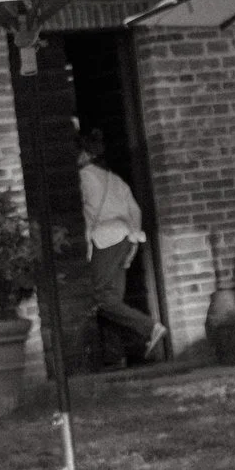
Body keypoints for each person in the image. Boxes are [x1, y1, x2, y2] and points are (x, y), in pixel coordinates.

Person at [77, 128, 163, 363]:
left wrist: (87, 248)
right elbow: (135, 210)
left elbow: (90, 215)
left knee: (100, 297)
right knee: (112, 301)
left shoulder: (84, 177)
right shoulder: (115, 180)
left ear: (84, 155)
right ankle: (117, 356)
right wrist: (134, 241)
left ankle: (149, 327)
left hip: (105, 239)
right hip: (125, 238)